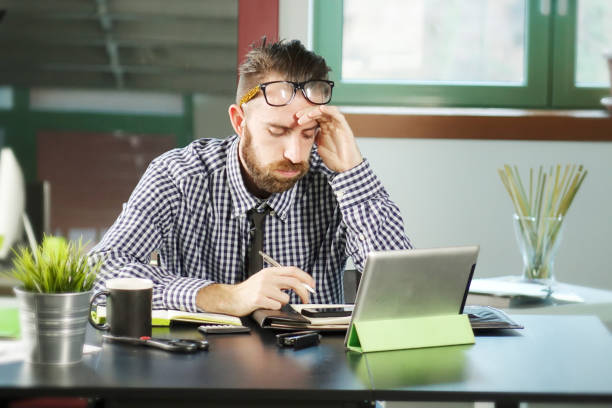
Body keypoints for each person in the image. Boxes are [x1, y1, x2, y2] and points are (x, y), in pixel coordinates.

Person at [89, 39, 412, 317]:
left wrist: (353, 172)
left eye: (308, 134)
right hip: (197, 368)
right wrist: (222, 296)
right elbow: (100, 271)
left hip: (314, 375)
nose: (296, 155)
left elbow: (403, 291)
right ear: (239, 120)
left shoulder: (336, 179)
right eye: (278, 131)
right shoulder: (179, 174)